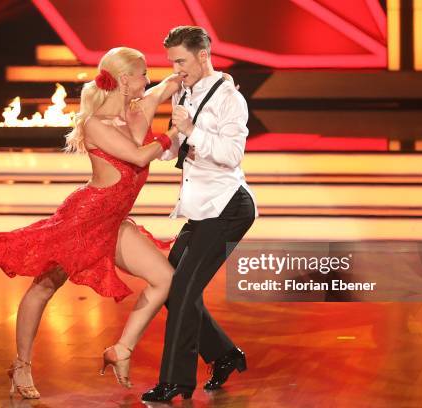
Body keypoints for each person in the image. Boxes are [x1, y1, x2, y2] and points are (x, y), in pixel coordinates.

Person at [0, 47, 183, 398]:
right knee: (45, 287)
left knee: (165, 279)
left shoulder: (141, 108)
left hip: (114, 224)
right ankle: (22, 365)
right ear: (124, 80)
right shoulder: (94, 125)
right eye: (142, 74)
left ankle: (121, 350)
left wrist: (212, 76)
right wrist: (173, 134)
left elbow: (172, 81)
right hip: (83, 221)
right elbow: (137, 156)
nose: (147, 79)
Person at [141, 26, 258, 402]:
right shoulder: (187, 92)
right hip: (201, 208)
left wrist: (192, 132)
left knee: (183, 289)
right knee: (171, 289)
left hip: (228, 207)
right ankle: (224, 355)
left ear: (203, 55)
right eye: (172, 62)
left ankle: (175, 382)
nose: (175, 69)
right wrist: (156, 142)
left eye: (181, 61)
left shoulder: (229, 99)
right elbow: (174, 146)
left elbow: (231, 155)